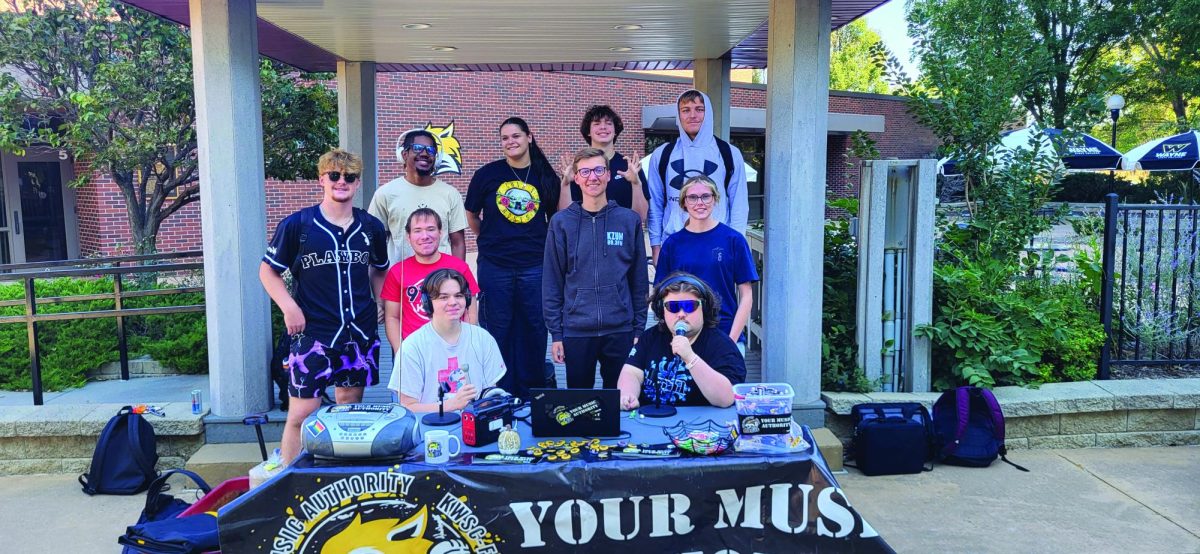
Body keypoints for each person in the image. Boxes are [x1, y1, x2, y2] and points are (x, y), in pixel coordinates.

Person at [259, 148, 389, 464]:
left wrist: (380, 299)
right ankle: (287, 479)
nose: (341, 181)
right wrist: (289, 307)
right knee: (302, 411)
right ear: (322, 179)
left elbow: (380, 267)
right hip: (313, 333)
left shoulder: (370, 227)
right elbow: (268, 270)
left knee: (349, 411)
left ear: (358, 183)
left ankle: (338, 476)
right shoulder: (298, 225)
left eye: (349, 177)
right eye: (334, 175)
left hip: (357, 332)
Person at [465, 117, 560, 399]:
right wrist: (490, 238)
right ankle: (501, 394)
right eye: (505, 138)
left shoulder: (546, 176)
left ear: (529, 137)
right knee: (498, 328)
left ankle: (532, 394)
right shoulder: (487, 174)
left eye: (516, 136)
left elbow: (555, 218)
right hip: (496, 265)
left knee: (533, 327)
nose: (510, 142)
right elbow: (471, 214)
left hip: (534, 264)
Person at [544, 147, 649, 389]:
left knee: (623, 403)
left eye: (599, 170)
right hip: (577, 331)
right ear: (577, 178)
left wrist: (639, 328)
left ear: (609, 175)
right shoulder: (561, 223)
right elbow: (552, 282)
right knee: (581, 410)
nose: (593, 177)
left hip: (621, 329)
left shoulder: (627, 220)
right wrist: (556, 334)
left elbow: (639, 279)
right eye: (586, 171)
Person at [655, 175, 759, 354]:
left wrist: (731, 341)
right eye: (693, 197)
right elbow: (661, 296)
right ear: (684, 203)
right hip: (684, 336)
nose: (699, 202)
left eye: (706, 196)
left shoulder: (733, 240)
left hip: (725, 332)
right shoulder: (673, 244)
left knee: (727, 383)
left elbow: (747, 295)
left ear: (715, 199)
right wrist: (674, 336)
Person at [645, 89, 749, 263]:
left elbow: (739, 203)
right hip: (674, 244)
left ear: (707, 113)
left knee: (716, 292)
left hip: (718, 247)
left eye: (699, 109)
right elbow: (654, 203)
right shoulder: (662, 155)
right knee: (676, 291)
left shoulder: (729, 153)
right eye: (686, 110)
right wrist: (656, 245)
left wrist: (736, 246)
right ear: (678, 116)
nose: (692, 115)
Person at [617, 273, 745, 410]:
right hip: (652, 419)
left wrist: (690, 358)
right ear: (661, 310)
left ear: (705, 308)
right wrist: (628, 394)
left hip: (701, 425)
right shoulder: (650, 338)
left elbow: (726, 398)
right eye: (673, 307)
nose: (681, 314)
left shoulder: (722, 345)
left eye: (690, 306)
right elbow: (631, 373)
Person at [391, 269, 507, 413]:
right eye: (443, 297)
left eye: (458, 295)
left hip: (475, 427)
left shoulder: (484, 339)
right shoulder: (411, 347)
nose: (453, 302)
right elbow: (406, 407)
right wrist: (451, 405)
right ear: (427, 303)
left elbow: (490, 393)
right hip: (430, 431)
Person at [380, 208, 479, 356]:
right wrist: (401, 351)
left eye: (431, 229)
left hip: (453, 349)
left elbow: (470, 311)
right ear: (409, 236)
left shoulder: (459, 267)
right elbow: (392, 317)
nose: (424, 236)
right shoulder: (397, 272)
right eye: (417, 230)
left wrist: (463, 345)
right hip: (414, 351)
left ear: (441, 233)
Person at [369, 129, 468, 264]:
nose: (425, 154)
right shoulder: (385, 193)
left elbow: (457, 243)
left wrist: (457, 277)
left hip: (441, 279)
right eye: (417, 148)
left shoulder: (451, 194)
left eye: (431, 150)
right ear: (404, 154)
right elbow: (377, 243)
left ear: (437, 158)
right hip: (400, 279)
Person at [557, 105, 648, 223]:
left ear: (615, 131)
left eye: (609, 123)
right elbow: (564, 218)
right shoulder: (577, 168)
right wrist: (566, 184)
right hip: (585, 237)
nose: (603, 127)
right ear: (588, 132)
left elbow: (641, 217)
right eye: (596, 123)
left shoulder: (630, 167)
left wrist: (636, 183)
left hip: (621, 237)